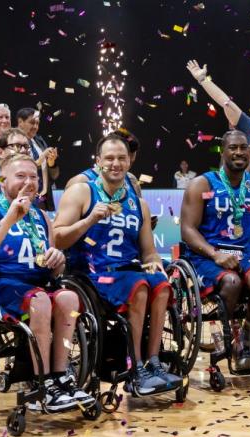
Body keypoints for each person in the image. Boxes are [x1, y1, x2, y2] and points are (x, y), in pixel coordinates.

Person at [0, 153, 93, 410]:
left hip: (37, 285)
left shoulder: (41, 217)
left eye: (33, 176)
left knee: (69, 297)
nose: (29, 181)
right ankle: (40, 383)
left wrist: (57, 259)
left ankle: (60, 376)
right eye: (20, 176)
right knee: (40, 300)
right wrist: (10, 218)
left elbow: (54, 269)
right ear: (2, 180)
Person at [53, 133, 180, 393]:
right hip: (91, 275)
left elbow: (148, 252)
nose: (115, 163)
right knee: (141, 286)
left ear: (129, 162)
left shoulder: (139, 203)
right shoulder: (81, 191)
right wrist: (88, 221)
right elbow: (56, 238)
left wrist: (155, 262)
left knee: (162, 283)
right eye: (109, 158)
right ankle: (135, 368)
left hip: (128, 274)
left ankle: (153, 362)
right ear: (98, 162)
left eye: (121, 158)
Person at [180, 130, 250, 371]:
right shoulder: (202, 184)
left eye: (243, 148)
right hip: (208, 256)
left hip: (247, 254)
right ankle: (224, 336)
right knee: (231, 282)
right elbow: (187, 229)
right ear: (223, 151)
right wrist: (214, 253)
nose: (239, 152)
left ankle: (245, 340)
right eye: (233, 148)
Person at [64, 128, 142, 197]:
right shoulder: (79, 182)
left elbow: (139, 211)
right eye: (111, 158)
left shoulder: (132, 180)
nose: (118, 165)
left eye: (123, 158)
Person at [17, 107, 59, 211]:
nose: (35, 127)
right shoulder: (12, 141)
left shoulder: (39, 140)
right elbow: (18, 169)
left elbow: (53, 175)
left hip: (43, 198)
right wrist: (41, 158)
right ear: (20, 122)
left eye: (37, 123)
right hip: (24, 195)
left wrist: (51, 162)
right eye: (32, 122)